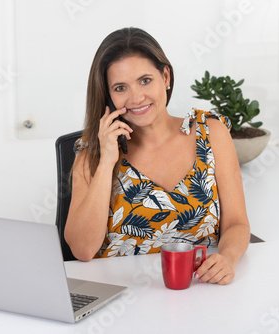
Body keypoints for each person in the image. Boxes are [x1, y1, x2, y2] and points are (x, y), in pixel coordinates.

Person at [64, 27, 250, 285]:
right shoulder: (91, 153)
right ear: (108, 95)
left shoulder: (211, 133)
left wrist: (228, 258)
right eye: (120, 88)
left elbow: (237, 224)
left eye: (145, 80)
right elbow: (82, 250)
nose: (136, 97)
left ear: (165, 76)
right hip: (123, 301)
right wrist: (107, 160)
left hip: (201, 292)